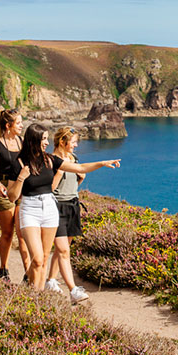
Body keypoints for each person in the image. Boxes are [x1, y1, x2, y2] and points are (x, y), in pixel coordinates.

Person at [7, 123, 119, 296]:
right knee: (36, 260)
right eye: (43, 139)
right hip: (30, 210)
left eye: (46, 139)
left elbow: (80, 168)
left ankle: (37, 297)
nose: (46, 143)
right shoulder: (18, 163)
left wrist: (102, 163)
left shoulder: (49, 160)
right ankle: (33, 295)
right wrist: (21, 178)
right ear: (33, 141)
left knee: (44, 258)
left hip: (50, 209)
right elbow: (12, 197)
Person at [46, 126, 90, 303]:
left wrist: (80, 178)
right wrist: (59, 172)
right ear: (63, 142)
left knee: (63, 248)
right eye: (73, 142)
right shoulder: (52, 161)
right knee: (63, 249)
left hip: (73, 205)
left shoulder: (73, 159)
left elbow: (72, 185)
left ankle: (50, 280)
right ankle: (73, 290)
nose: (76, 145)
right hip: (57, 207)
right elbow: (49, 189)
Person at [0, 108, 29, 281]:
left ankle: (29, 273)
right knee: (7, 233)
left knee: (23, 234)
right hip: (3, 190)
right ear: (8, 125)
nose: (21, 125)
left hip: (20, 188)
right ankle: (3, 269)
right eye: (18, 123)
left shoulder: (22, 142)